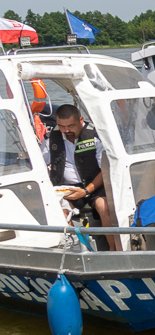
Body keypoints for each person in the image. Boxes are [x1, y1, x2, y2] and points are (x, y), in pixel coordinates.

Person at [42, 104, 119, 251]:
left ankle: (114, 250)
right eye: (61, 126)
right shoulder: (51, 139)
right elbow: (40, 165)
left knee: (104, 207)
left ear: (81, 120)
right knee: (59, 211)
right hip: (66, 188)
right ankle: (73, 251)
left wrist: (86, 191)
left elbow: (106, 169)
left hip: (95, 185)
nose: (66, 131)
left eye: (70, 126)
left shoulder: (95, 137)